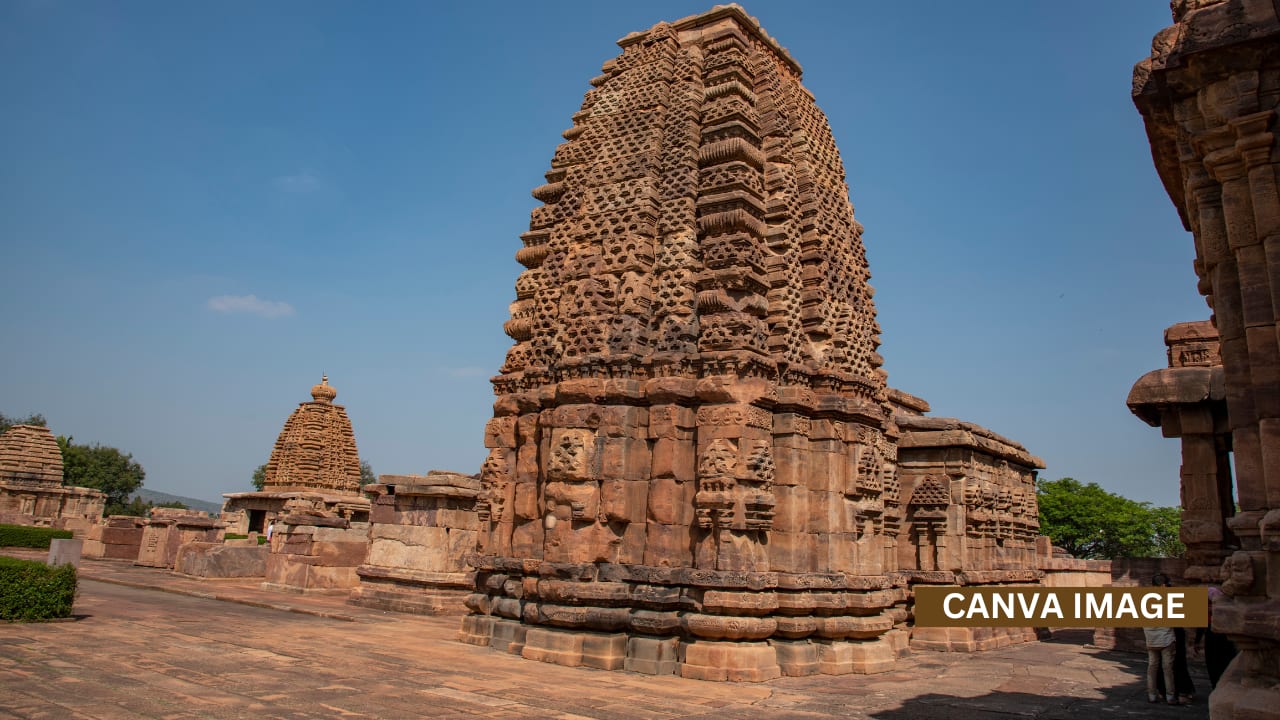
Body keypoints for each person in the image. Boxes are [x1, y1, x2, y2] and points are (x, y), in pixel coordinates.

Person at [1195, 586, 1239, 689]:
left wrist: (1197, 642)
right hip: (1219, 637)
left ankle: (1219, 684)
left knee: (1216, 662)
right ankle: (1219, 684)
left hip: (1218, 638)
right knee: (1217, 662)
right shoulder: (1222, 607)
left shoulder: (1218, 609)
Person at [1145, 623, 1179, 704]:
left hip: (1151, 639)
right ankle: (1170, 696)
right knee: (1167, 668)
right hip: (1166, 639)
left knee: (1152, 667)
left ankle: (1151, 695)